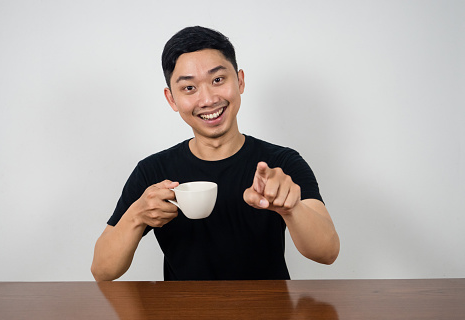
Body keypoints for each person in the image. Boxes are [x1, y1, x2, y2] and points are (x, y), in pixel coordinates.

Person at [91, 26, 340, 281]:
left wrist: (290, 208)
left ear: (240, 81)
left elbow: (328, 252)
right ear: (171, 99)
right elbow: (102, 270)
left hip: (271, 317)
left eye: (218, 80)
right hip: (184, 317)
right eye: (189, 88)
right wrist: (136, 216)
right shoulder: (153, 171)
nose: (208, 99)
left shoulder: (281, 163)